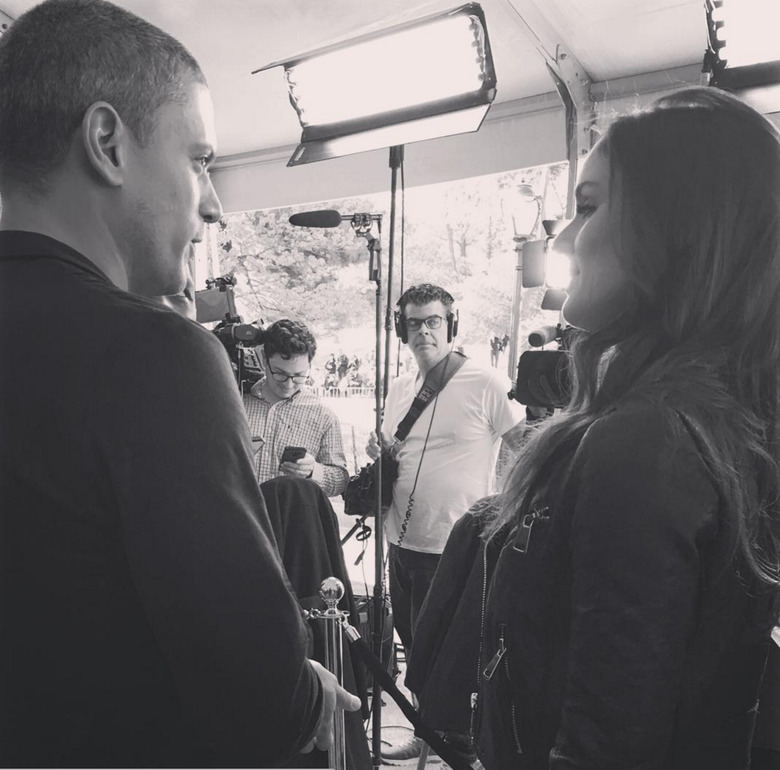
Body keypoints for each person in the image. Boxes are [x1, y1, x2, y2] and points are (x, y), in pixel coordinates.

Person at [0, 1, 359, 767]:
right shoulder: (154, 356)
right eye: (199, 159)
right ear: (107, 143)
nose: (215, 201)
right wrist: (313, 698)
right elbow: (258, 690)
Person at [473, 87, 780, 769]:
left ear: (680, 226)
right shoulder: (710, 427)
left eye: (587, 207)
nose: (560, 239)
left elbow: (601, 745)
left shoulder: (648, 443)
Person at [366, 283, 524, 761]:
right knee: (415, 647)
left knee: (451, 654)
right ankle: (425, 729)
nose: (424, 331)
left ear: (450, 325)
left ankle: (456, 740)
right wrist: (381, 453)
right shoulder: (399, 389)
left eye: (433, 321)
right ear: (402, 329)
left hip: (453, 545)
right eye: (414, 323)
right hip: (402, 538)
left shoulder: (483, 381)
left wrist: (508, 508)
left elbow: (523, 444)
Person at [243, 319, 349, 497]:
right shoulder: (238, 402)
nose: (289, 384)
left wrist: (313, 471)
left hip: (290, 520)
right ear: (263, 359)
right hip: (239, 517)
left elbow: (341, 480)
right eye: (280, 374)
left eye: (299, 376)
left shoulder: (323, 416)